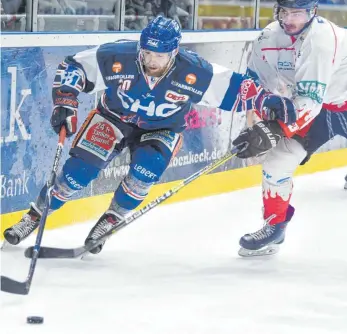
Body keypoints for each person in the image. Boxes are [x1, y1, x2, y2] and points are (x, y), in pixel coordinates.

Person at [3, 15, 269, 254]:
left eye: (160, 55)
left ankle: (111, 218)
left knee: (146, 170)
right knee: (78, 173)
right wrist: (65, 100)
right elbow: (74, 67)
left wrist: (273, 109)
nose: (152, 61)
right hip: (113, 118)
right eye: (148, 53)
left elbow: (244, 92)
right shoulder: (118, 55)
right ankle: (35, 216)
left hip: (162, 129)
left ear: (174, 52)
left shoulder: (195, 71)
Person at [232, 0, 347, 257]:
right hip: (323, 109)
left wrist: (272, 129)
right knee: (278, 160)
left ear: (313, 12)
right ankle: (274, 226)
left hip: (325, 102)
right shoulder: (268, 38)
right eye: (284, 11)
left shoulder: (321, 39)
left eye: (297, 13)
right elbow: (253, 84)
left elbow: (308, 102)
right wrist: (261, 116)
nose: (289, 19)